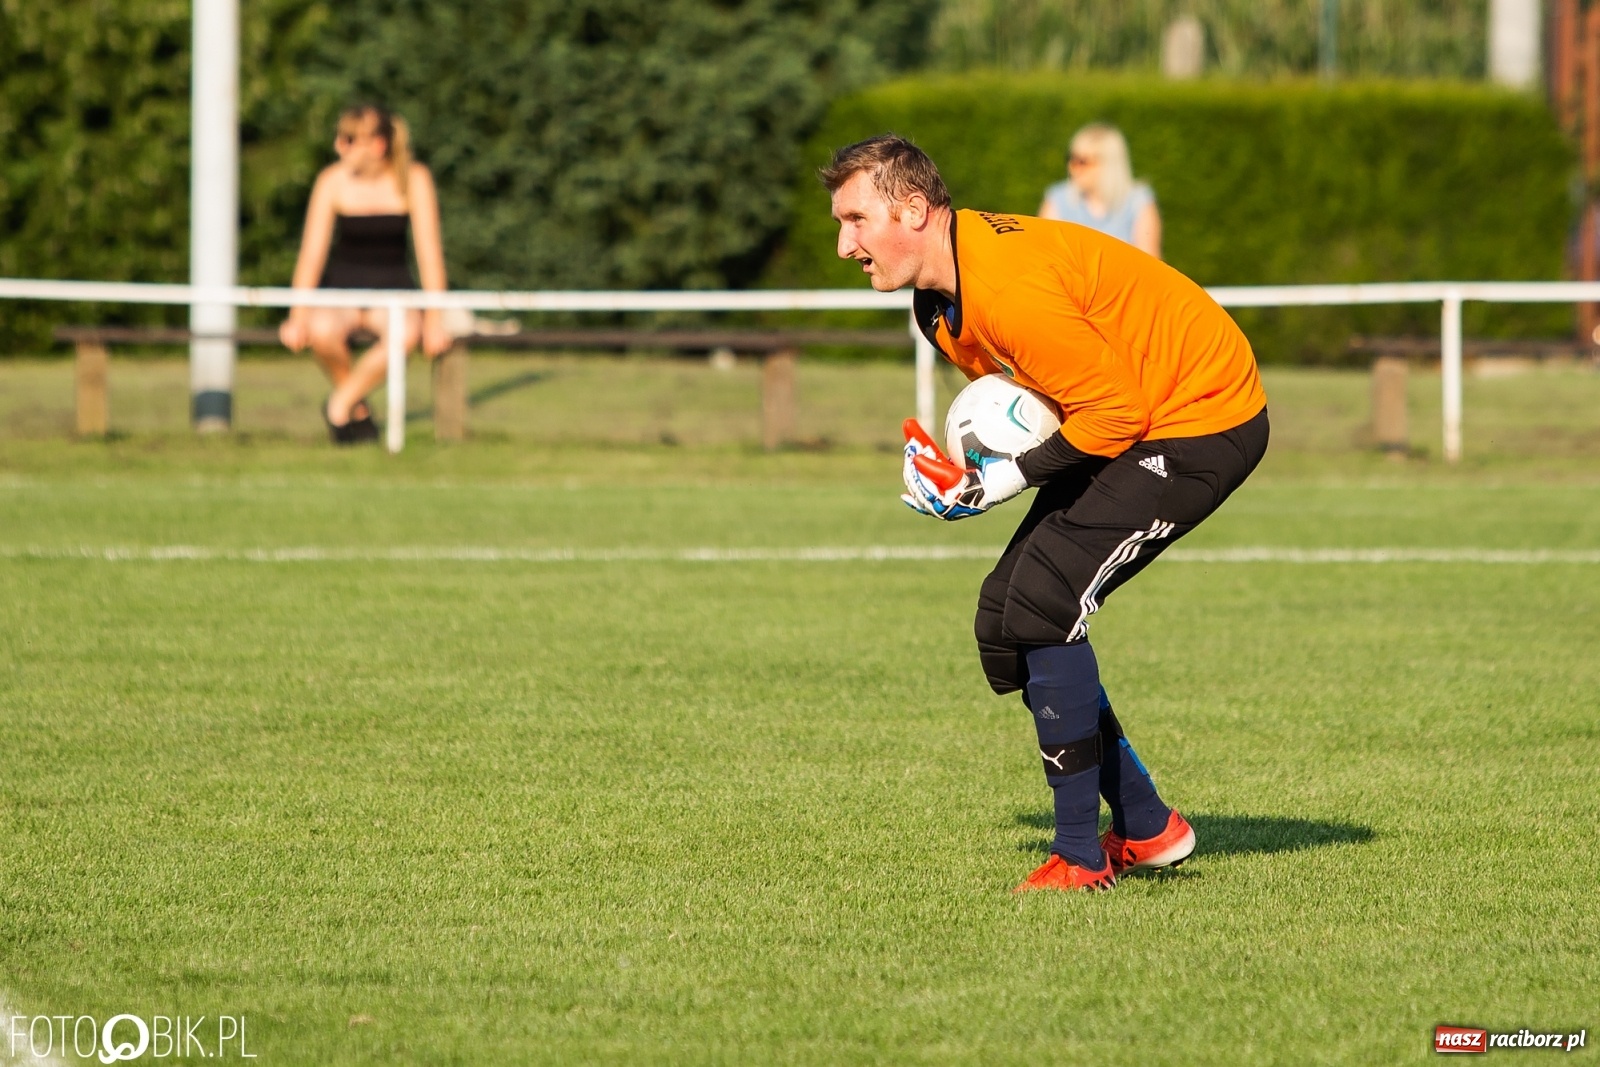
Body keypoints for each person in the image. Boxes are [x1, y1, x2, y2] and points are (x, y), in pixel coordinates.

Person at [824, 134, 1267, 893]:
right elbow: (1039, 403)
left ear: (916, 209)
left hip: (1199, 417)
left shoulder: (1004, 287)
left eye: (857, 220)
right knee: (1004, 618)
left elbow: (1116, 410)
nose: (844, 245)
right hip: (1135, 415)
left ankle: (1080, 856)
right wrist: (962, 469)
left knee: (1045, 602)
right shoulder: (938, 305)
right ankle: (1147, 824)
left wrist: (999, 483)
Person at [279, 104, 452, 444]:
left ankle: (339, 404)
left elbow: (429, 256)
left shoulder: (414, 179)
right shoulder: (331, 182)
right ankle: (357, 410)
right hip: (342, 291)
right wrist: (297, 316)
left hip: (393, 291)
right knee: (321, 330)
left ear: (378, 145)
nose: (338, 147)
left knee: (403, 335)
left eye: (348, 140)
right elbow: (311, 257)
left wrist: (434, 320)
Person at [1038, 123, 1162, 259]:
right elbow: (1046, 256)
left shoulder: (1138, 201)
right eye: (1071, 158)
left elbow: (1150, 262)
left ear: (1108, 164)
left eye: (1083, 161)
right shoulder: (1058, 198)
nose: (1073, 167)